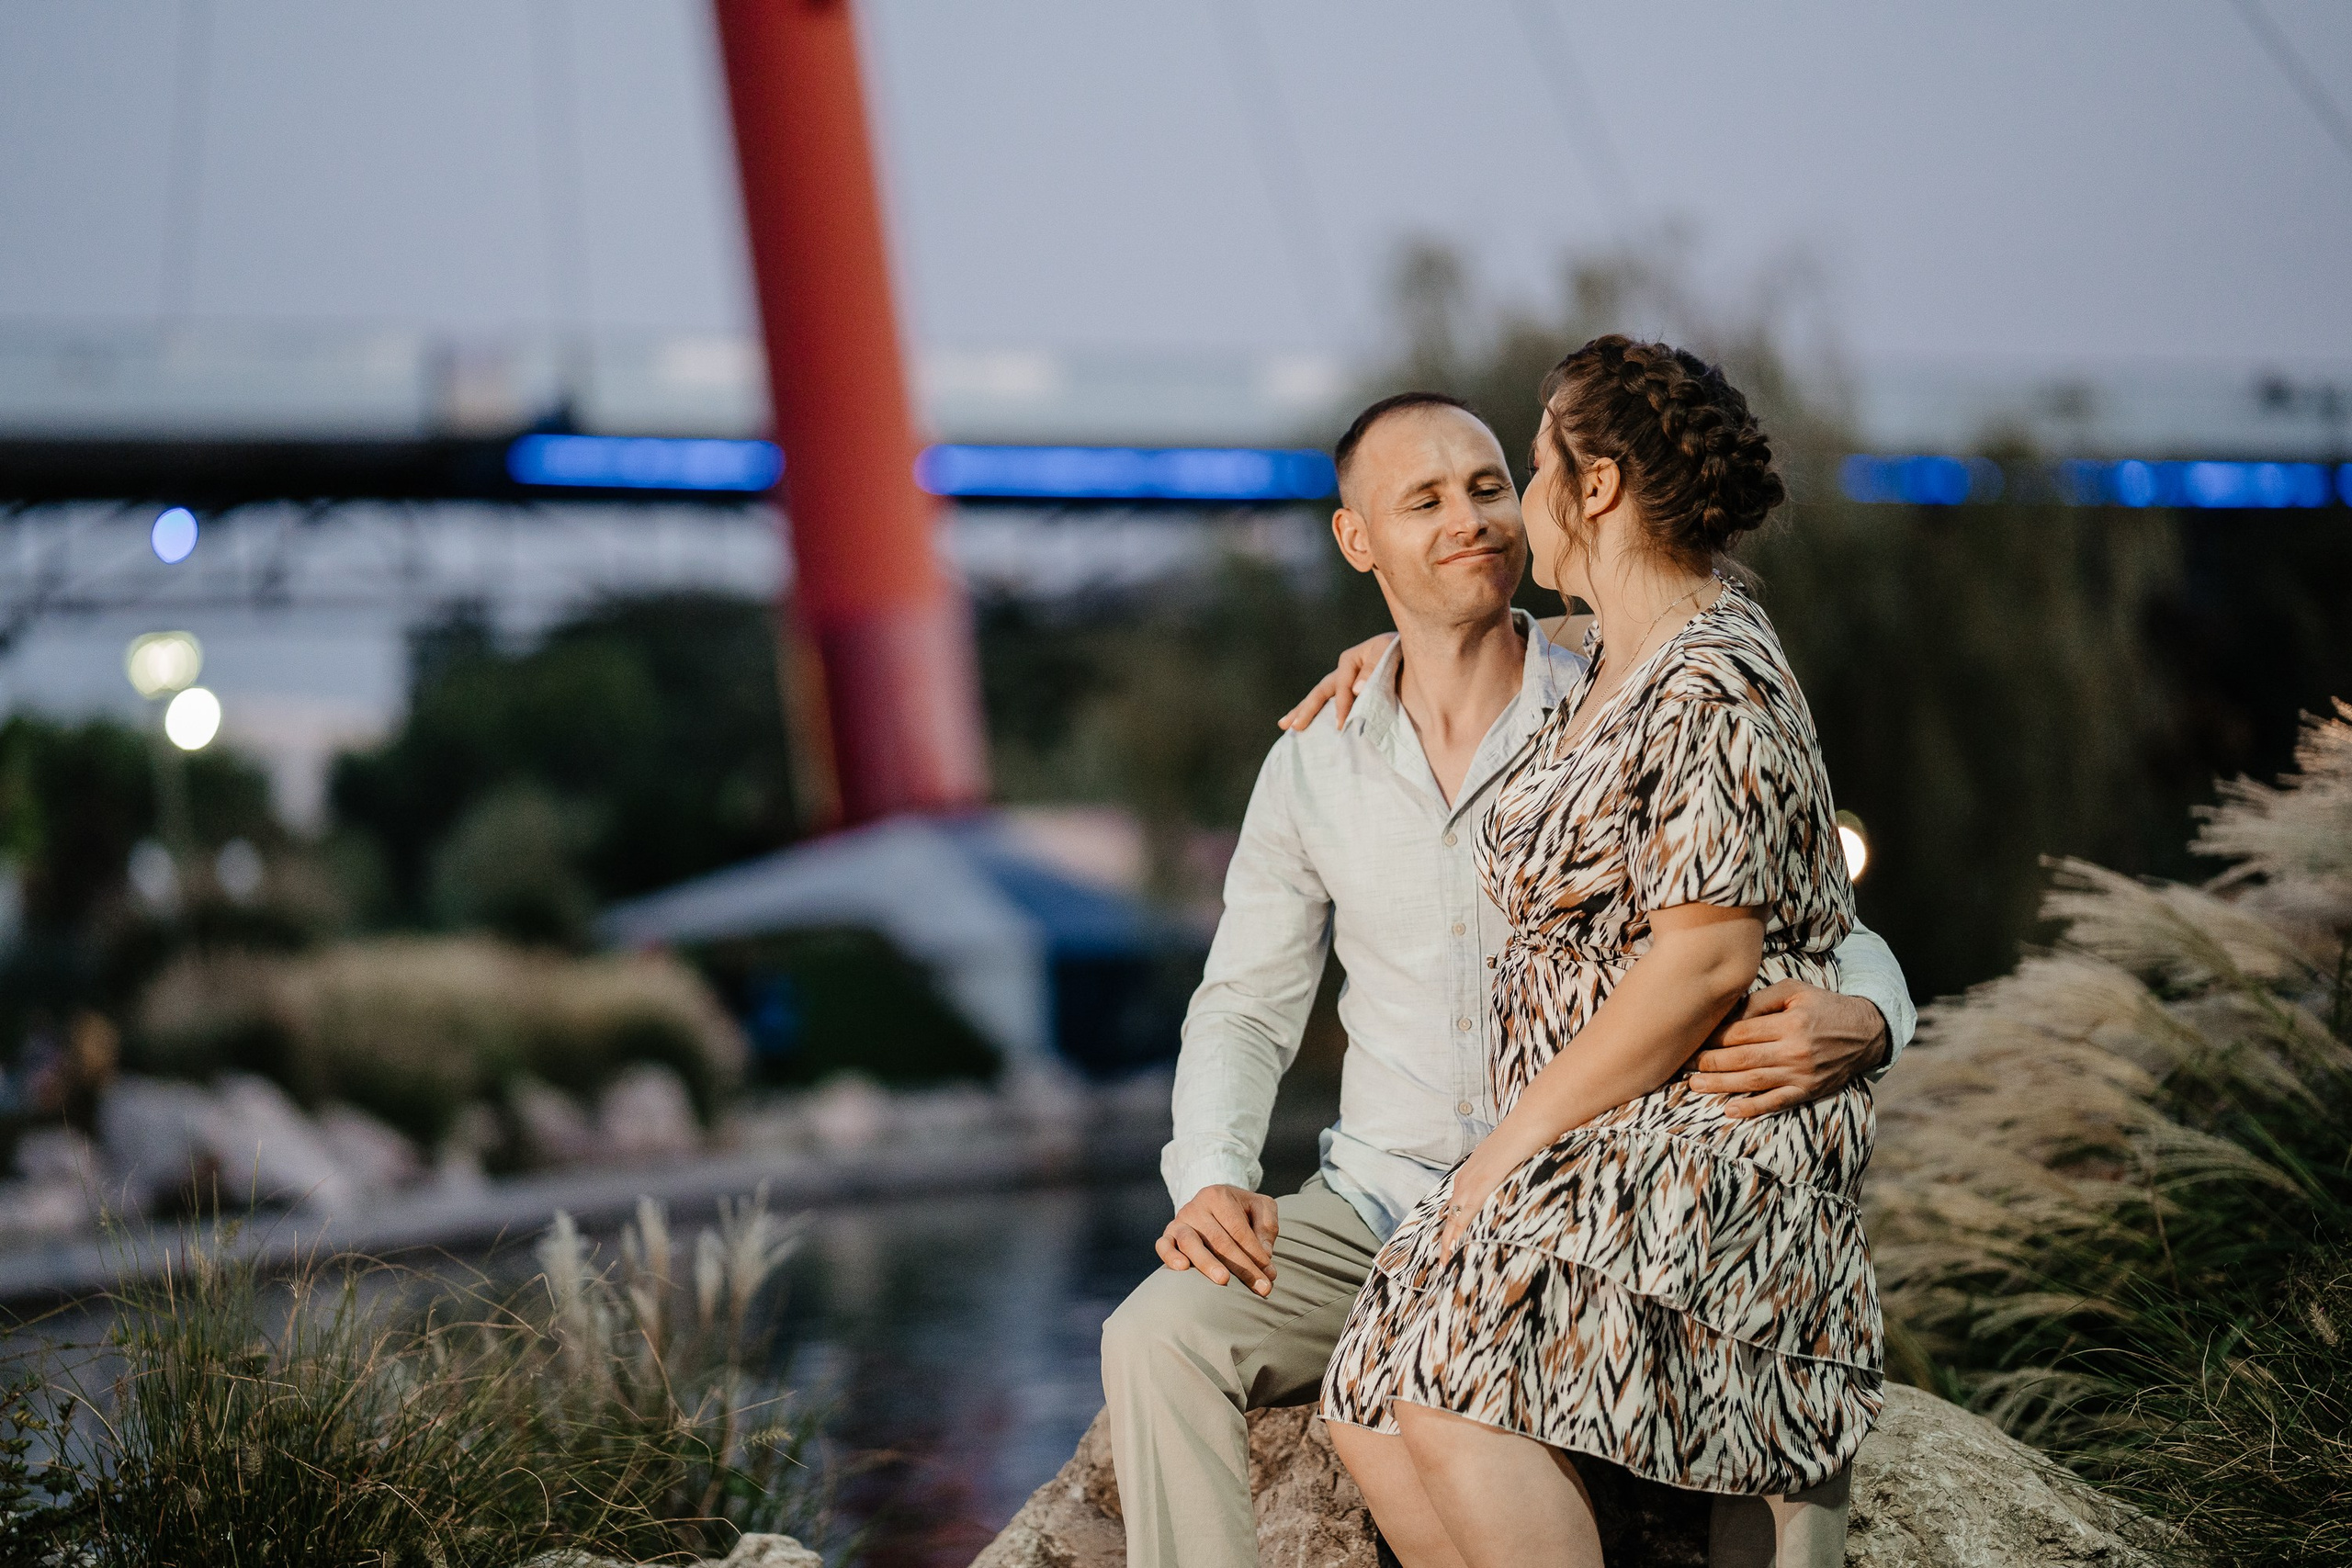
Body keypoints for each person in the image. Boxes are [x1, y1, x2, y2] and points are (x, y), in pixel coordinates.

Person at [1101, 383, 1913, 1568]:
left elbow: (1786, 896)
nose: (1473, 519)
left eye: (1490, 486)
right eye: (1423, 501)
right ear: (1357, 540)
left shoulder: (1616, 692)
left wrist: (1873, 1016)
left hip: (1586, 1182)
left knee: (1428, 1385)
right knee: (1157, 1334)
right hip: (1383, 1200)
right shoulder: (1315, 761)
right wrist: (1214, 1176)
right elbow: (1242, 1005)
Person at [1318, 338, 1878, 1568]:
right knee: (1362, 1387)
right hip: (1607, 1129)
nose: (1516, 504)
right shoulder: (1606, 663)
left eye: (1528, 469)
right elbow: (1482, 659)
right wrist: (1386, 651)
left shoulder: (1709, 682)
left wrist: (1502, 1155)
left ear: (1601, 487)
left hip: (1703, 1135)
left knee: (1448, 1374)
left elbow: (1705, 963)